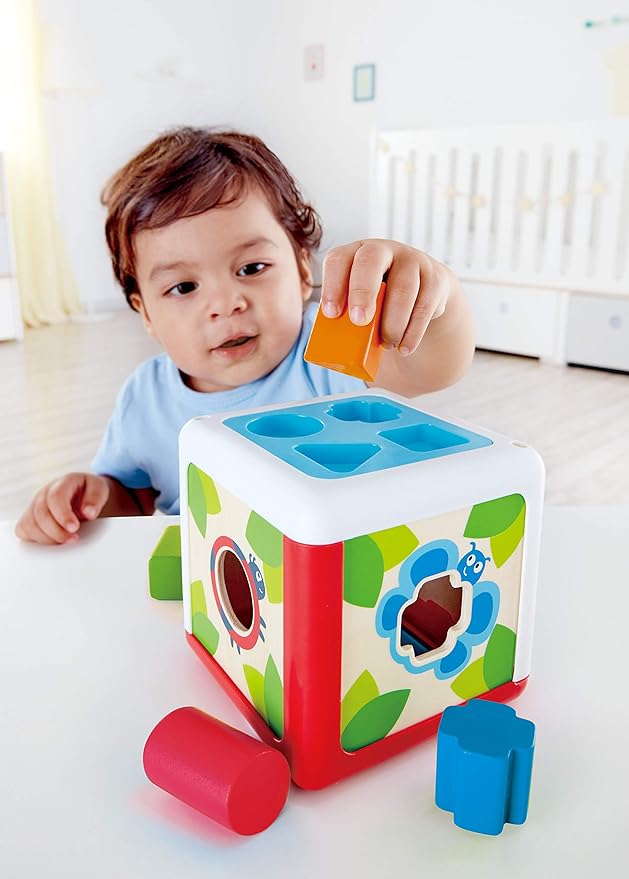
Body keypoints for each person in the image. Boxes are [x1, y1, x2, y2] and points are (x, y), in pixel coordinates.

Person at [15, 127, 475, 545]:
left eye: (252, 268)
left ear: (302, 270)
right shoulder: (144, 399)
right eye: (183, 287)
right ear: (146, 314)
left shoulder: (326, 355)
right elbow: (133, 497)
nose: (225, 303)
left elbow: (433, 368)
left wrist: (438, 302)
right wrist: (92, 499)